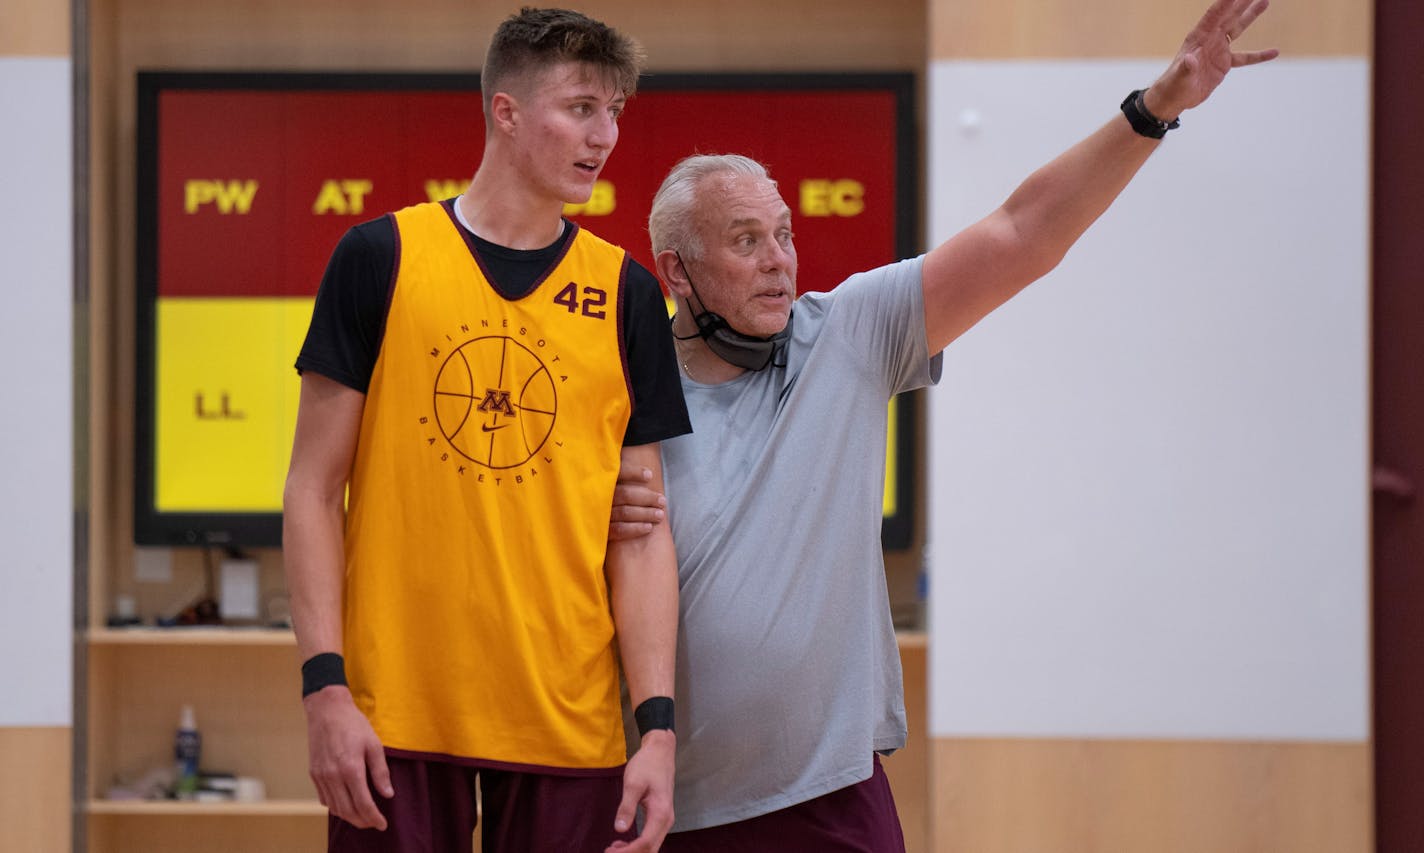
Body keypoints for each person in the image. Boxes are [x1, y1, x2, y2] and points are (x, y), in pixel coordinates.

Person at [610, 0, 1278, 848]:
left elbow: (1022, 231)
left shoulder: (847, 333)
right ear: (678, 269)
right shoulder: (621, 391)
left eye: (783, 233)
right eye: (746, 241)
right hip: (671, 803)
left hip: (831, 794)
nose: (781, 261)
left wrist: (1155, 107)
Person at [282, 8, 689, 853]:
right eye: (581, 107)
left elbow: (642, 532)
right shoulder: (379, 257)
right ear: (506, 113)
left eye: (615, 110)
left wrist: (657, 727)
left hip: (567, 722)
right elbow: (313, 490)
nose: (606, 134)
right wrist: (325, 686)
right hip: (393, 716)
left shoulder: (628, 293)